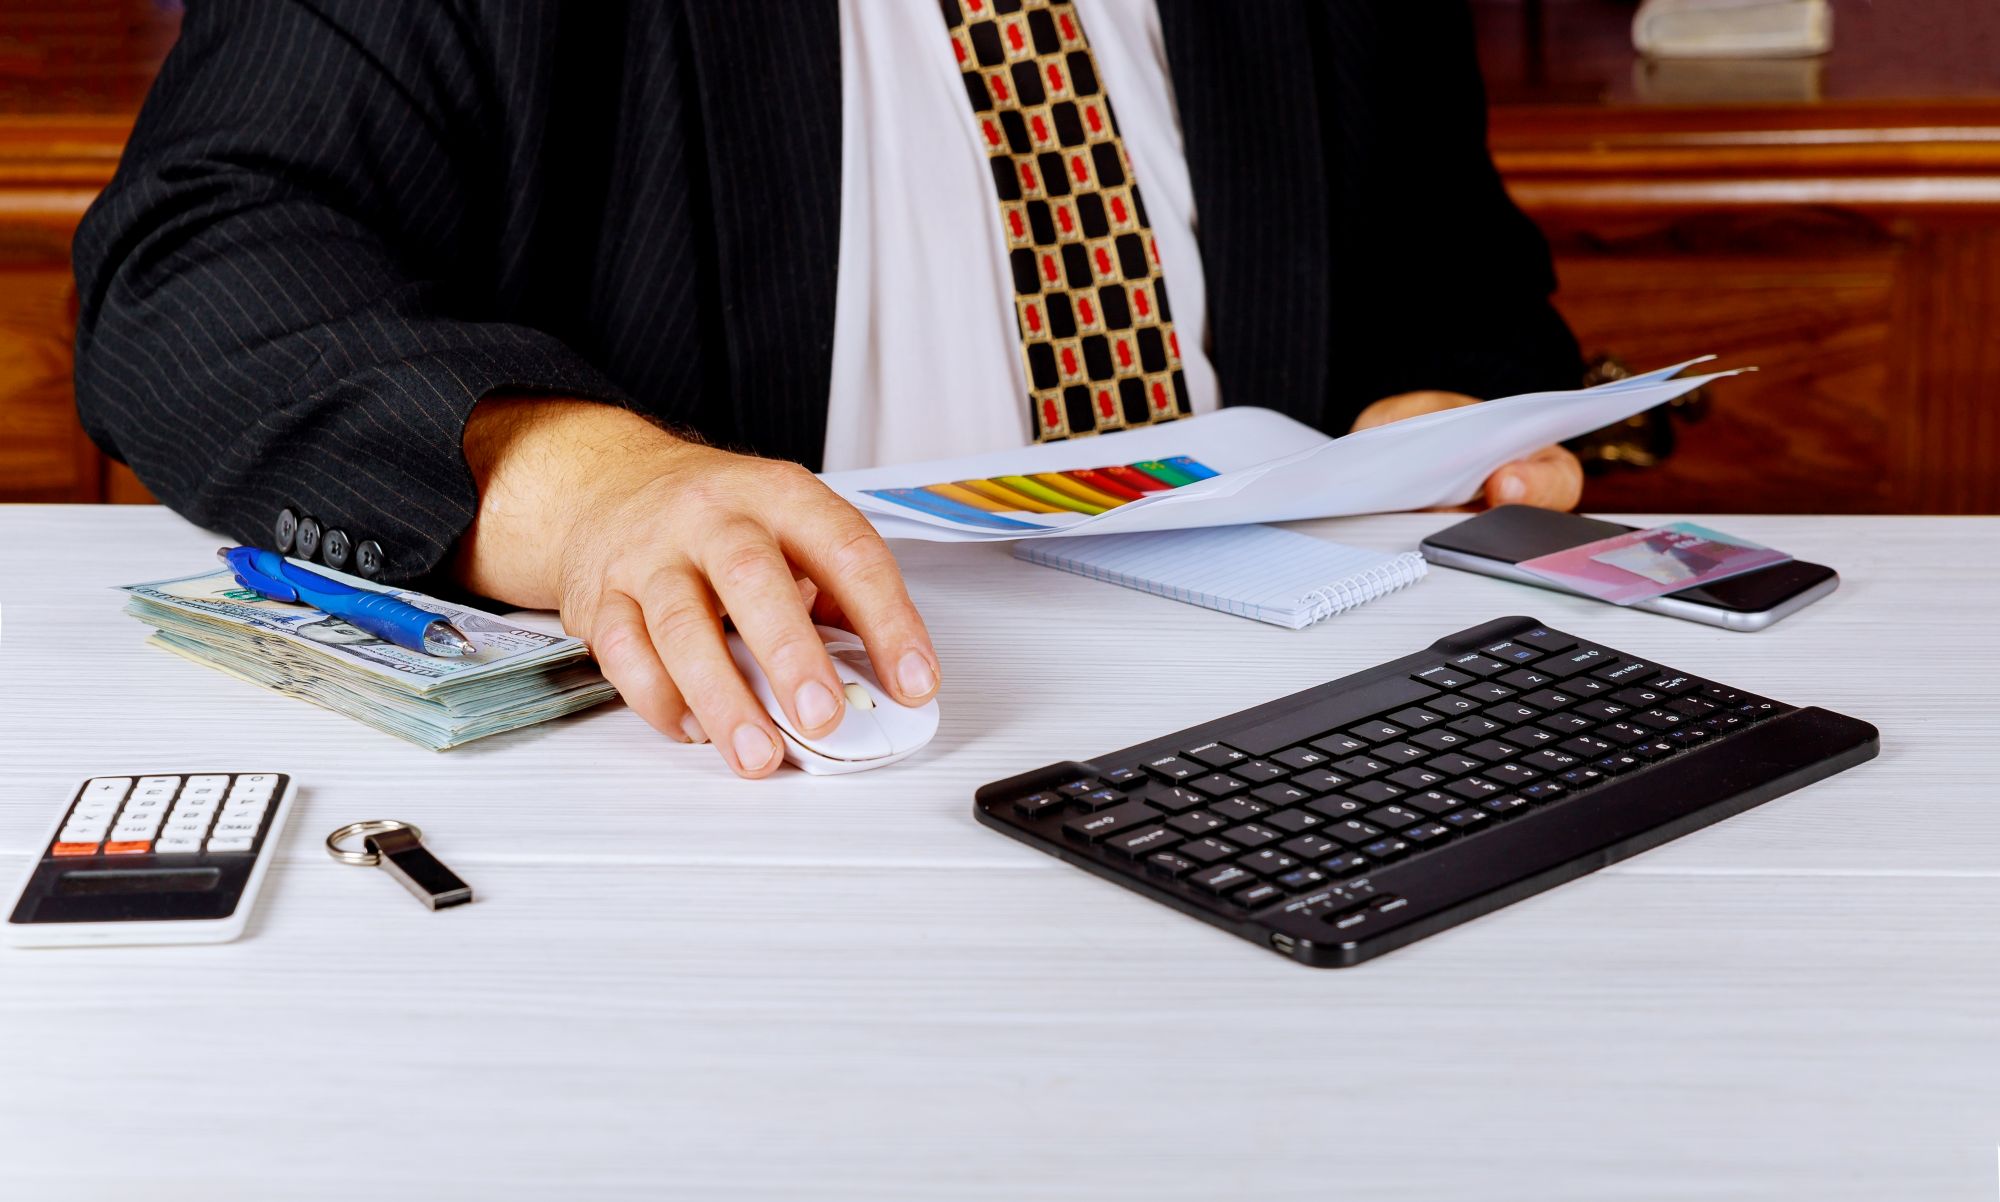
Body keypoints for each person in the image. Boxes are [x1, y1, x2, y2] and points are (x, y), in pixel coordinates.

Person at [73, 0, 1585, 778]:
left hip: (1285, 754)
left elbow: (1463, 288)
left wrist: (1445, 418)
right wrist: (587, 484)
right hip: (776, 772)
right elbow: (193, 266)